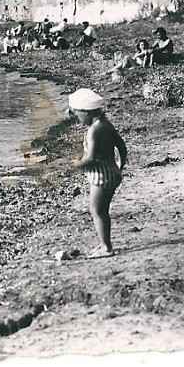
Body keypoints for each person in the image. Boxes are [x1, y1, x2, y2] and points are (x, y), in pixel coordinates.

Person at [68, 88, 128, 258]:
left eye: (78, 114)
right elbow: (122, 147)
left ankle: (106, 247)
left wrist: (74, 165)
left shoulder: (94, 130)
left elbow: (92, 158)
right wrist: (118, 168)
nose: (78, 119)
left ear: (86, 112)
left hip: (101, 176)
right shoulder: (105, 123)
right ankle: (104, 244)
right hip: (109, 172)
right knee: (100, 210)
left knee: (97, 211)